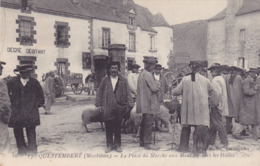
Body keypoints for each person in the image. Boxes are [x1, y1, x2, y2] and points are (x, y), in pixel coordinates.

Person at [172, 61, 216, 152]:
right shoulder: (206, 80)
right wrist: (211, 101)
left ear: (191, 68)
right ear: (200, 69)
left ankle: (183, 148)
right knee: (200, 127)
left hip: (188, 109)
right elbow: (215, 92)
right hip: (201, 109)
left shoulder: (185, 79)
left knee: (186, 128)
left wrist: (172, 90)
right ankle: (200, 148)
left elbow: (176, 91)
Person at [95, 61, 134, 153]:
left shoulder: (123, 80)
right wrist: (99, 104)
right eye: (112, 68)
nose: (113, 70)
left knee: (117, 127)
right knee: (108, 127)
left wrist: (130, 104)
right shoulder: (105, 80)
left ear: (118, 69)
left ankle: (117, 145)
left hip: (119, 107)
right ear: (109, 69)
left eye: (115, 68)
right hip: (107, 106)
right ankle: (109, 145)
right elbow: (99, 92)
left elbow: (128, 92)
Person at [7, 64, 45, 155]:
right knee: (18, 132)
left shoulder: (34, 82)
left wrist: (33, 107)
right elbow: (6, 96)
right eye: (25, 72)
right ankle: (22, 151)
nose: (28, 74)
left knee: (31, 132)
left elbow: (41, 98)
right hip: (17, 114)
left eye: (29, 72)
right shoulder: (12, 82)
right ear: (20, 72)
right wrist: (12, 107)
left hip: (31, 114)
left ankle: (32, 152)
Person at [136, 56, 161, 150]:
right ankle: (148, 143)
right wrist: (158, 85)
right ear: (149, 65)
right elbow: (154, 89)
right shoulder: (148, 74)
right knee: (148, 123)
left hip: (143, 102)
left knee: (143, 122)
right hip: (149, 102)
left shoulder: (141, 74)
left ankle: (142, 141)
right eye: (152, 65)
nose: (153, 67)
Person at [208, 64, 229, 149]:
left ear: (216, 71)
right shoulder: (221, 78)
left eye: (212, 70)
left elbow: (217, 94)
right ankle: (211, 141)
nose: (211, 72)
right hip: (220, 103)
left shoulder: (215, 80)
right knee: (213, 123)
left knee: (218, 123)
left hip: (216, 104)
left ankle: (224, 142)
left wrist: (213, 104)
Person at [239, 68, 260, 140]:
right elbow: (246, 91)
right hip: (248, 103)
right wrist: (255, 89)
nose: (255, 74)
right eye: (253, 73)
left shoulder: (252, 80)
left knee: (255, 119)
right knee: (246, 119)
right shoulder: (247, 81)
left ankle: (256, 135)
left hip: (253, 103)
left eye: (255, 73)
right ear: (249, 73)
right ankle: (236, 132)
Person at [224, 66, 244, 137]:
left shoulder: (225, 77)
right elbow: (242, 86)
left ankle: (228, 130)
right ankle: (240, 131)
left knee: (229, 115)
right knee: (239, 114)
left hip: (228, 97)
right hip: (237, 98)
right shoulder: (238, 77)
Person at [0, 61, 12, 154]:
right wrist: (6, 117)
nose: (2, 69)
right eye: (1, 67)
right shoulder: (1, 83)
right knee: (4, 144)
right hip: (0, 117)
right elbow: (5, 103)